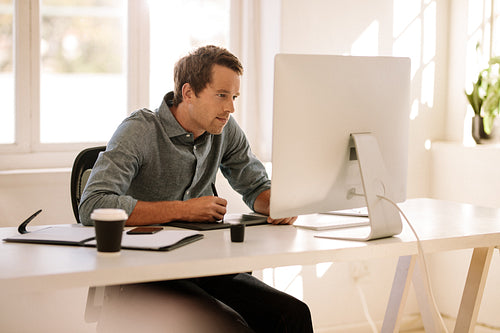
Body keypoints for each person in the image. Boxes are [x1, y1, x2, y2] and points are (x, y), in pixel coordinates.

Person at [79, 45, 313, 333]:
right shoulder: (139, 131)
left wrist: (281, 203)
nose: (230, 108)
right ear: (188, 92)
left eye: (234, 97)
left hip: (202, 266)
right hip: (144, 274)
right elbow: (93, 206)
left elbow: (256, 187)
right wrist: (183, 210)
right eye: (222, 95)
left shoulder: (225, 129)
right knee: (229, 326)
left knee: (293, 314)